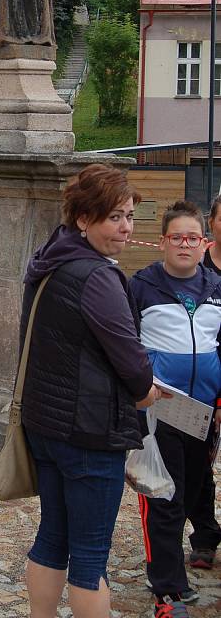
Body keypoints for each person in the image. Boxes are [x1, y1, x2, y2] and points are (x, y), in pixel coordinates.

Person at [21, 163, 159, 618]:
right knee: (89, 557)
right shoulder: (97, 276)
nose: (125, 228)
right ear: (84, 219)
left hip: (46, 423)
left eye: (129, 216)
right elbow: (130, 358)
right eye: (114, 216)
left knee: (51, 537)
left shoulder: (48, 259)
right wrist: (146, 391)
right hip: (89, 431)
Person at [130, 200, 221, 618]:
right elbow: (125, 346)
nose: (185, 245)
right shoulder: (142, 286)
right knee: (163, 496)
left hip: (204, 412)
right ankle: (167, 583)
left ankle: (173, 563)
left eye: (193, 238)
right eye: (176, 238)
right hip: (160, 411)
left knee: (193, 491)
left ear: (205, 242)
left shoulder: (216, 288)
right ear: (163, 242)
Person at [183, 197, 221, 571]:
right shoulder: (200, 266)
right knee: (198, 464)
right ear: (212, 222)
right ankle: (205, 536)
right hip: (201, 385)